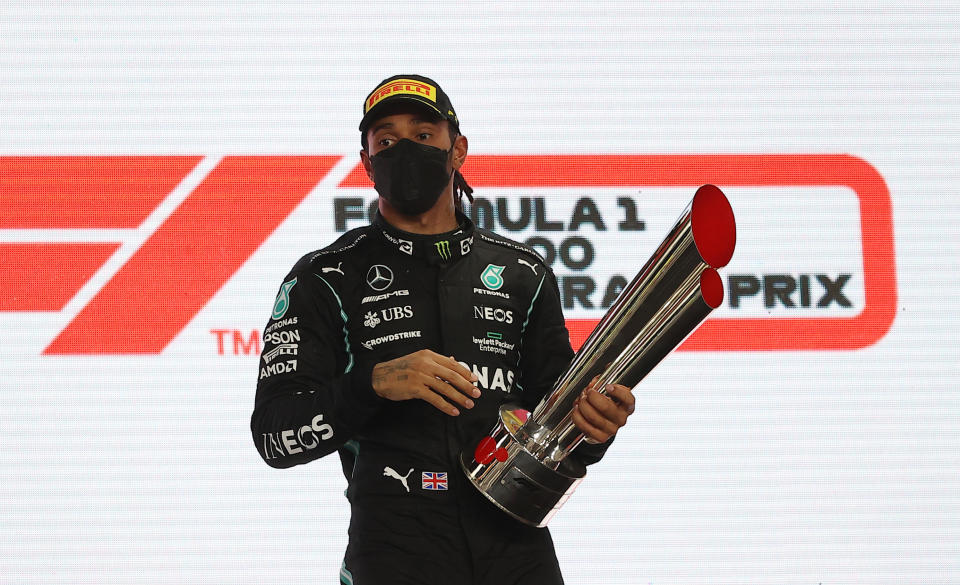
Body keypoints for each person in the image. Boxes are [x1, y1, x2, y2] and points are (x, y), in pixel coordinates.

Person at [251, 74, 635, 585]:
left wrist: (595, 428)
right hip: (393, 546)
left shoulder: (524, 273)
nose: (403, 149)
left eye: (423, 135)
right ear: (367, 165)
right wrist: (373, 385)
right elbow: (275, 437)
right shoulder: (325, 277)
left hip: (517, 546)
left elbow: (559, 428)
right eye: (385, 141)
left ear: (458, 149)